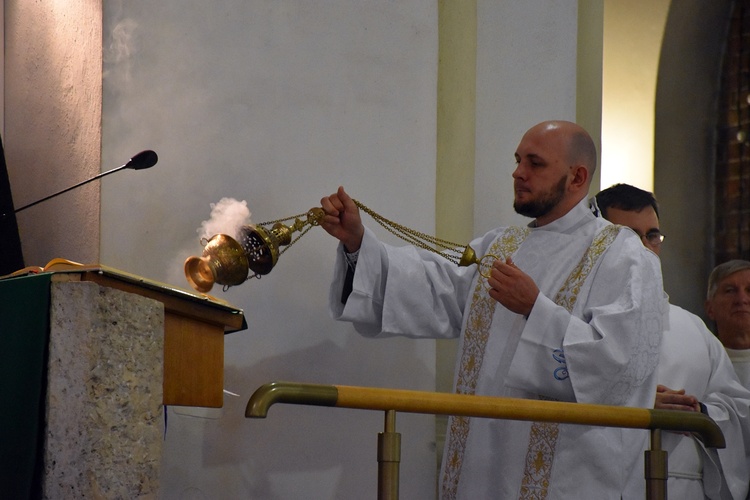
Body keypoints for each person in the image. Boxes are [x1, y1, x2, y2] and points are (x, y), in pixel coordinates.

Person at [320, 120, 669, 499]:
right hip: (481, 466)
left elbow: (619, 369)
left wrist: (535, 308)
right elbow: (434, 289)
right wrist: (358, 244)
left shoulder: (625, 255)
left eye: (535, 163)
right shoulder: (501, 245)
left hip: (568, 478)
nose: (518, 173)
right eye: (518, 161)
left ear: (577, 176)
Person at [595, 183, 750, 500]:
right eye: (628, 236)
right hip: (599, 483)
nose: (644, 248)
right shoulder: (573, 320)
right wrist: (638, 404)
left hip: (683, 488)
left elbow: (739, 410)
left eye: (652, 236)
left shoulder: (692, 327)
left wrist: (700, 412)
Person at [706, 259, 750, 389]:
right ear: (710, 308)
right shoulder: (698, 362)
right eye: (730, 290)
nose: (742, 300)